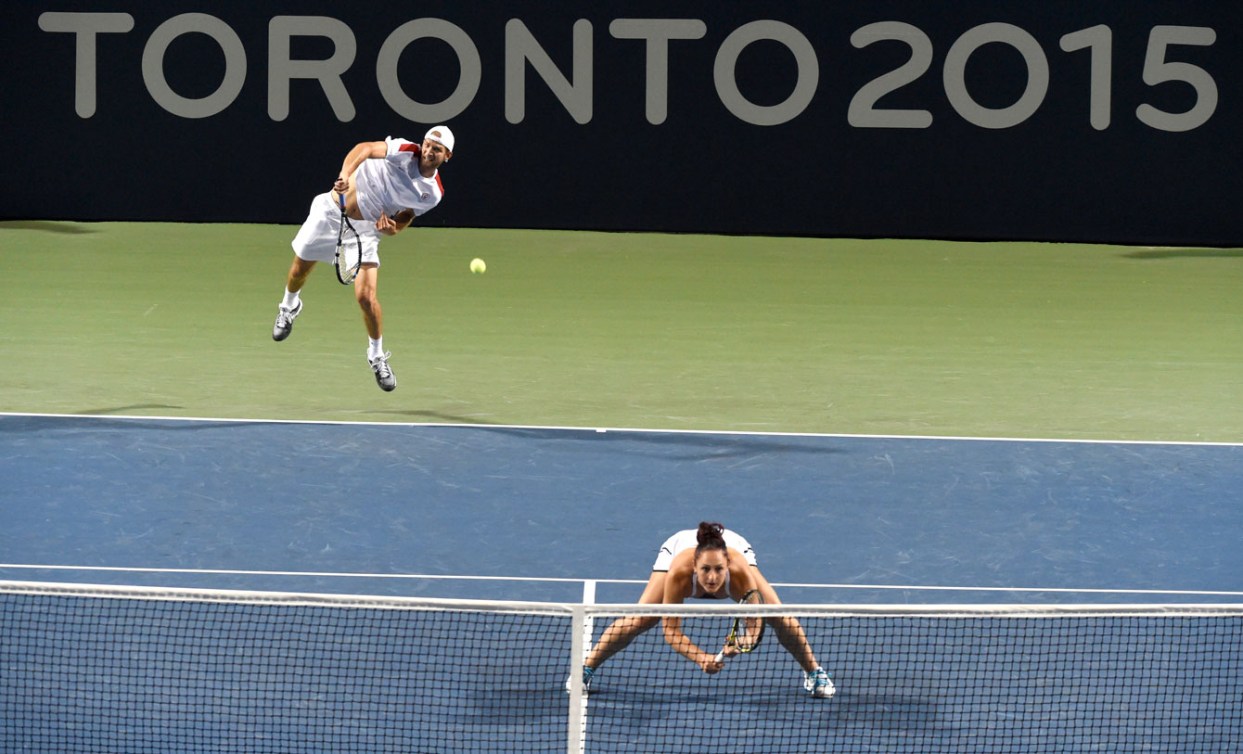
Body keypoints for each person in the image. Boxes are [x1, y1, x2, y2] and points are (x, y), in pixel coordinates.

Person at [271, 126, 455, 391]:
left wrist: (393, 229)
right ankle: (289, 306)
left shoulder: (433, 194)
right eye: (427, 144)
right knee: (299, 269)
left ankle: (376, 355)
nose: (428, 151)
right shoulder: (405, 150)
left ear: (447, 155)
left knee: (366, 298)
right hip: (333, 210)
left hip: (366, 230)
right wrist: (345, 174)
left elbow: (406, 216)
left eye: (436, 149)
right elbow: (366, 148)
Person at [575, 522, 835, 698]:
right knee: (642, 617)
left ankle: (814, 672)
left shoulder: (740, 572)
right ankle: (585, 669)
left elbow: (755, 624)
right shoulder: (678, 572)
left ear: (728, 565)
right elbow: (671, 631)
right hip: (679, 547)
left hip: (731, 546)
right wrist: (701, 658)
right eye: (706, 570)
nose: (712, 578)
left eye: (718, 570)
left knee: (779, 616)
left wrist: (745, 641)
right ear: (694, 566)